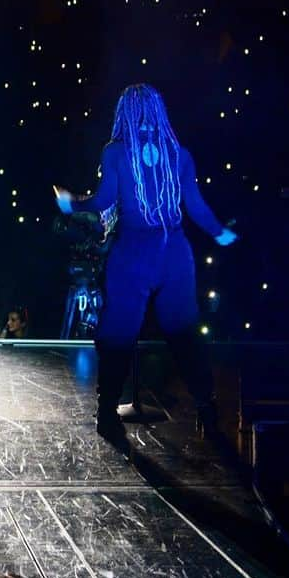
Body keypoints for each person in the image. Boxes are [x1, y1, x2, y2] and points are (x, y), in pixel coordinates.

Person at [54, 84, 237, 441]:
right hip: (174, 253)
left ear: (125, 113)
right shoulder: (179, 154)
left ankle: (107, 413)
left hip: (134, 251)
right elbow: (195, 207)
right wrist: (220, 233)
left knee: (118, 334)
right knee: (184, 333)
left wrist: (72, 203)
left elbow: (105, 198)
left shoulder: (116, 152)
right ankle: (207, 409)